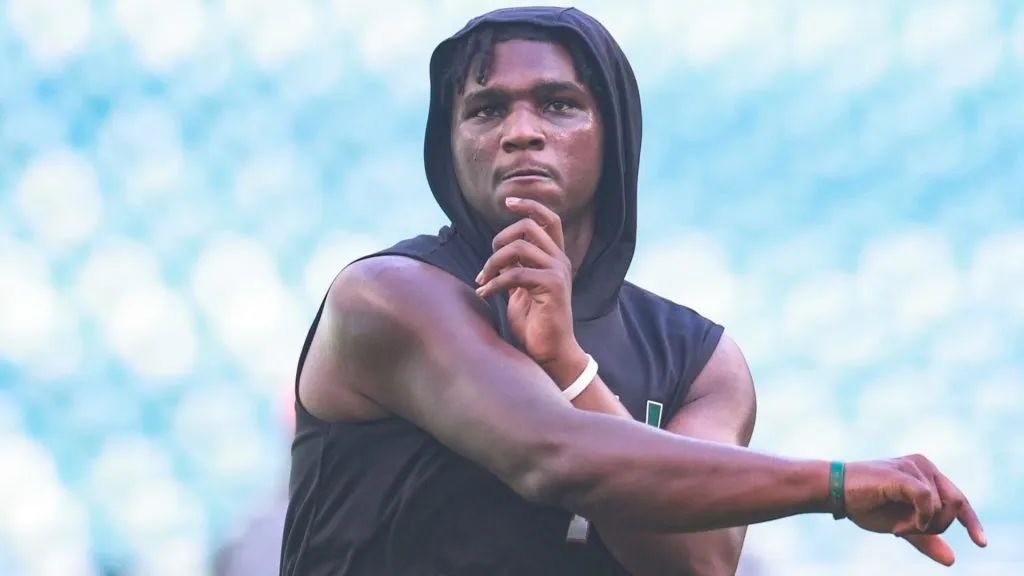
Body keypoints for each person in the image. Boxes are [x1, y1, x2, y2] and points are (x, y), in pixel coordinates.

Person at [280, 6, 987, 575]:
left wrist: (568, 366)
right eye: (486, 110)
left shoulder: (700, 359)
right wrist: (833, 485)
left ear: (615, 136)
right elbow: (549, 455)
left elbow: (698, 563)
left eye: (558, 105)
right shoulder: (390, 299)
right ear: (449, 142)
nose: (521, 132)